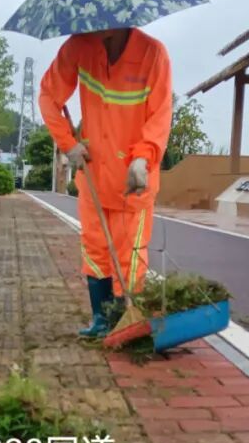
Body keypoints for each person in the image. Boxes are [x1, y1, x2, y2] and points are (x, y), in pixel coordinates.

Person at [38, 27, 172, 337]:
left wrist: (144, 157)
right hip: (94, 174)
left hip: (134, 178)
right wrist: (68, 144)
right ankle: (101, 320)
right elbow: (48, 96)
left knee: (130, 255)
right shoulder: (78, 46)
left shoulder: (153, 54)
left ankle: (127, 322)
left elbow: (160, 114)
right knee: (95, 250)